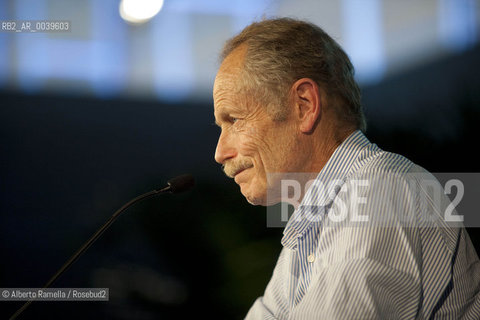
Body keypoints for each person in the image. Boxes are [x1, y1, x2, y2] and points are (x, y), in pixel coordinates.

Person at [213, 18, 480, 319]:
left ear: (304, 105)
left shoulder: (381, 191)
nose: (220, 153)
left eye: (234, 120)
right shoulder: (313, 223)